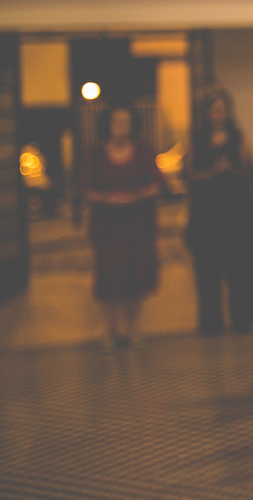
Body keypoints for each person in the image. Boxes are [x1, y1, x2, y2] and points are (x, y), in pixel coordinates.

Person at [82, 105, 164, 350]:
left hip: (137, 224)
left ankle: (133, 329)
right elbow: (85, 188)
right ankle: (109, 330)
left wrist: (136, 196)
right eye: (117, 122)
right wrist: (107, 199)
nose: (121, 127)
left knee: (135, 276)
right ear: (107, 124)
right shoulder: (96, 154)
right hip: (108, 226)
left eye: (126, 122)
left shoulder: (144, 151)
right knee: (109, 277)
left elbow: (158, 184)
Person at [186, 86, 253, 335]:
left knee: (239, 268)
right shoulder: (197, 139)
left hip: (234, 212)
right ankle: (211, 322)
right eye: (214, 111)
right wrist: (212, 173)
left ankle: (241, 318)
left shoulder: (237, 137)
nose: (218, 115)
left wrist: (230, 170)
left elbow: (247, 169)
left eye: (222, 110)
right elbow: (190, 173)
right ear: (207, 113)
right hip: (206, 213)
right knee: (207, 270)